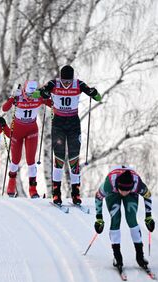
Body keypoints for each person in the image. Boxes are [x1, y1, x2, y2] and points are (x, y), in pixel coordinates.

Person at [39, 65, 102, 205]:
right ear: (60, 77)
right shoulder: (53, 83)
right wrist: (42, 93)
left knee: (74, 159)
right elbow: (37, 95)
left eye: (68, 81)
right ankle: (56, 194)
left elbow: (98, 98)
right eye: (64, 81)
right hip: (58, 124)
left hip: (73, 124)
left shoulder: (78, 84)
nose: (66, 84)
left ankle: (76, 194)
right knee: (59, 159)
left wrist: (94, 92)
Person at [93, 166, 155, 270]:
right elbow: (98, 196)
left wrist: (148, 217)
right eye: (122, 190)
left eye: (127, 190)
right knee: (115, 218)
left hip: (132, 193)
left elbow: (147, 195)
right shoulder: (109, 184)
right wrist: (99, 218)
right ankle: (117, 257)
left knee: (131, 219)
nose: (124, 193)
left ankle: (140, 256)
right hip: (113, 193)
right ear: (118, 185)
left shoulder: (137, 184)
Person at [2, 80, 52, 198]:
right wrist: (12, 97)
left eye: (32, 94)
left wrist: (48, 94)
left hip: (31, 131)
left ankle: (33, 189)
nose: (30, 97)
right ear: (24, 90)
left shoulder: (37, 96)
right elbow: (4, 108)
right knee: (15, 159)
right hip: (17, 132)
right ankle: (11, 184)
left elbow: (52, 103)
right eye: (28, 94)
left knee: (31, 160)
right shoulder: (18, 96)